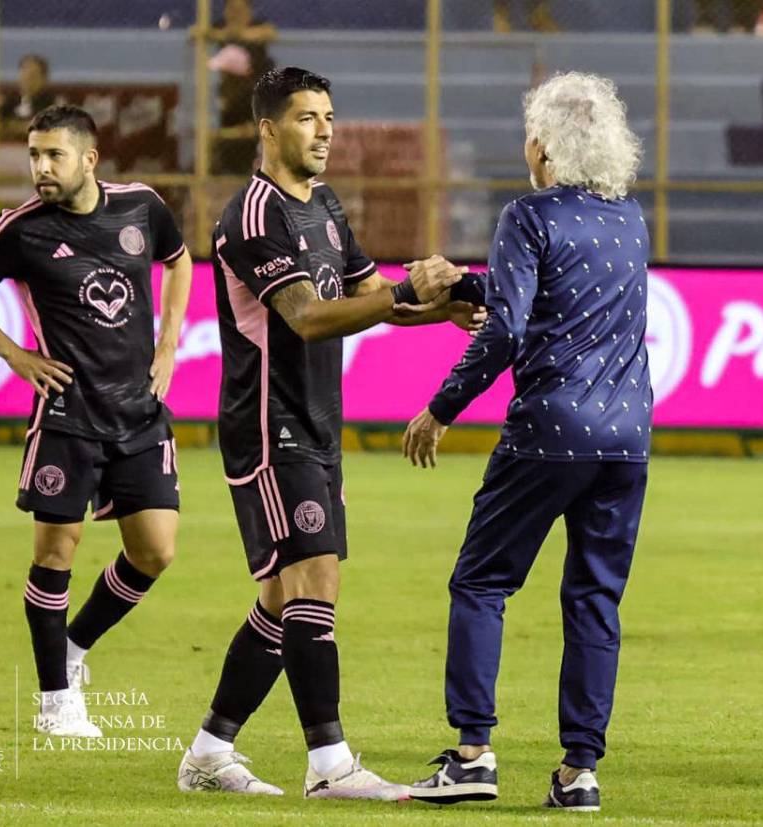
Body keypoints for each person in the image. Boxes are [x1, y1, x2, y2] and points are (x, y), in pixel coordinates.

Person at [176, 67, 484, 799]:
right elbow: (309, 315)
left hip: (315, 422)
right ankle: (330, 764)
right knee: (316, 576)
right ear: (268, 129)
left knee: (289, 598)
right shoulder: (254, 215)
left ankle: (210, 749)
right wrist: (405, 294)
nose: (325, 131)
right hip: (267, 425)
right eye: (309, 117)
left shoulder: (325, 207)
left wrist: (435, 308)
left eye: (330, 117)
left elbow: (368, 300)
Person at [402, 71, 650, 813]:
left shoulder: (529, 213)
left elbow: (510, 325)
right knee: (595, 601)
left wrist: (441, 407)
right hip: (628, 435)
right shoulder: (628, 215)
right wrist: (464, 283)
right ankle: (580, 772)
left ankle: (472, 753)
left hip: (551, 428)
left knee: (481, 582)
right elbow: (550, 293)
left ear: (539, 145)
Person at [0, 104, 193, 737]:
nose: (40, 168)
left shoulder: (142, 206)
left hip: (139, 413)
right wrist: (15, 354)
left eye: (53, 155)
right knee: (58, 551)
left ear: (89, 159)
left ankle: (74, 648)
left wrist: (168, 345)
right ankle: (56, 702)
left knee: (156, 552)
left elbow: (180, 260)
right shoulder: (19, 230)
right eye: (33, 155)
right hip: (66, 417)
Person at [210, 0, 276, 174]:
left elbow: (269, 32)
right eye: (230, 9)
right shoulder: (221, 26)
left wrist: (242, 34)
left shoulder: (258, 25)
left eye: (239, 9)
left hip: (255, 89)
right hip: (234, 92)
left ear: (248, 11)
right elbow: (200, 32)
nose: (234, 13)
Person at [0, 55, 56, 141]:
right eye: (24, 73)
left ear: (44, 79)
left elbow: (43, 129)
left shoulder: (52, 103)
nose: (27, 78)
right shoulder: (10, 100)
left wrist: (12, 127)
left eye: (33, 75)